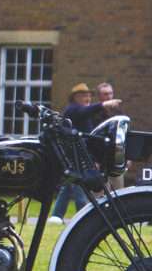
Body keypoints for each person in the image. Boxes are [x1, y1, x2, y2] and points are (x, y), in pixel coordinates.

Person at [50, 83, 123, 222]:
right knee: (80, 185)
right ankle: (84, 217)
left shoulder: (84, 111)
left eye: (89, 95)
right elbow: (86, 112)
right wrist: (103, 105)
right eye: (84, 96)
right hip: (74, 155)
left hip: (80, 154)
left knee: (69, 186)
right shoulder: (73, 109)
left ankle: (57, 215)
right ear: (75, 97)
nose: (87, 98)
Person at [96, 82, 127, 190]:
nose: (109, 96)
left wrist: (127, 158)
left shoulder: (119, 112)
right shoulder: (95, 114)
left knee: (120, 192)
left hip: (116, 159)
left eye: (110, 93)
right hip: (100, 160)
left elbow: (125, 135)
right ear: (99, 96)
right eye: (105, 94)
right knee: (100, 195)